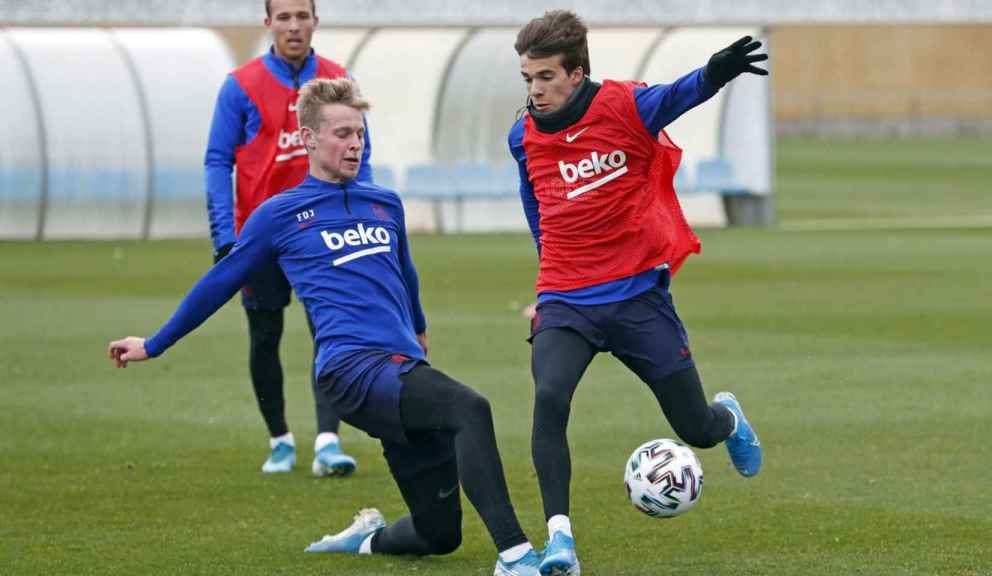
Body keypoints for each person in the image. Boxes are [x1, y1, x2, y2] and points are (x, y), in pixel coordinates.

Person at [109, 77, 544, 576]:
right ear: (309, 139)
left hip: (402, 364)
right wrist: (154, 344)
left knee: (439, 534)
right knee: (470, 408)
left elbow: (406, 272)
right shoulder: (280, 215)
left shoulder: (385, 204)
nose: (354, 143)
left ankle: (363, 540)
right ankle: (515, 555)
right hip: (349, 371)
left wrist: (418, 328)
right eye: (341, 133)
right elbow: (221, 280)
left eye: (358, 133)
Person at [508, 10, 767, 575]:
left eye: (545, 77)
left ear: (576, 74)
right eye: (527, 78)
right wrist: (547, 276)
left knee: (694, 429)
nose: (534, 90)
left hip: (635, 297)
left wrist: (716, 73)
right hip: (567, 298)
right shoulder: (521, 136)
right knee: (549, 399)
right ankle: (560, 543)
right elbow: (537, 208)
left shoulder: (625, 106)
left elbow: (678, 95)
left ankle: (727, 419)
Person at [204, 0, 370, 475]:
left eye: (302, 16)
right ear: (268, 23)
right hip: (261, 237)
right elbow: (218, 161)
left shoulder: (338, 80)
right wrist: (225, 234)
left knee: (332, 335)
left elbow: (363, 150)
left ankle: (327, 443)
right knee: (264, 337)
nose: (294, 26)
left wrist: (358, 217)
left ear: (315, 21)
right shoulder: (240, 86)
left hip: (324, 235)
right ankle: (280, 440)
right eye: (284, 17)